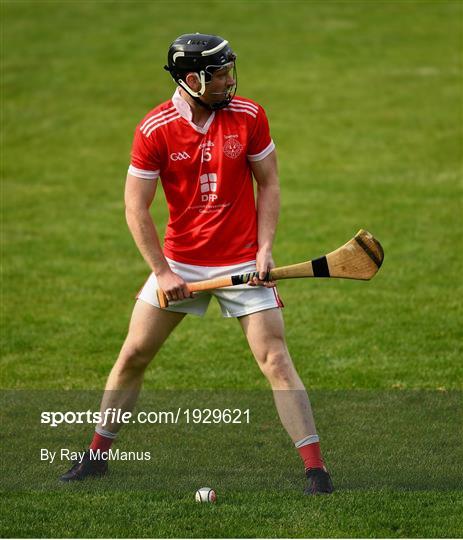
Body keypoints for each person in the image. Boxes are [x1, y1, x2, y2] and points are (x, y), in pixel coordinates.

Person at [61, 33, 334, 495]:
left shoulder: (249, 116)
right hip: (181, 263)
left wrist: (265, 250)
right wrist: (164, 272)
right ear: (192, 79)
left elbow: (268, 184)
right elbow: (135, 208)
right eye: (221, 73)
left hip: (244, 260)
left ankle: (316, 470)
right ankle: (96, 456)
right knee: (133, 354)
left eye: (230, 70)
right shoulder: (155, 129)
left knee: (275, 359)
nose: (231, 79)